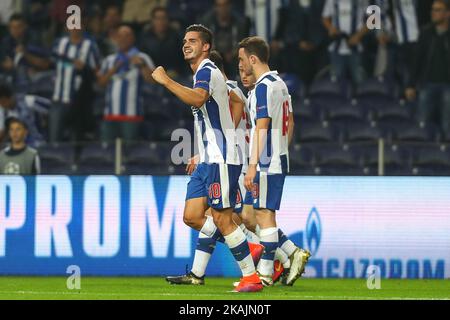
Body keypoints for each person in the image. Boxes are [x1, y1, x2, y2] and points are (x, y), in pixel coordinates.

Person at [152, 24, 263, 292]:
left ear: (206, 47)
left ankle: (252, 275)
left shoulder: (207, 70)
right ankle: (248, 271)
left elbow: (199, 98)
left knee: (223, 218)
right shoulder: (207, 73)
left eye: (193, 41)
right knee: (216, 216)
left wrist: (166, 80)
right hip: (214, 155)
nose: (186, 44)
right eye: (184, 41)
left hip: (223, 156)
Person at [238, 36, 311, 286]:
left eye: (241, 59)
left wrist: (252, 166)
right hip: (274, 158)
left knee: (264, 215)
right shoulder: (280, 84)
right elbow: (291, 124)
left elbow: (262, 127)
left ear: (253, 59)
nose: (240, 65)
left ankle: (266, 272)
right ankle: (291, 252)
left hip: (266, 163)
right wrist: (282, 151)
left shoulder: (263, 87)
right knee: (249, 215)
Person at [97, 25, 155, 142]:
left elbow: (153, 80)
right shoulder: (109, 60)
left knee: (130, 152)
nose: (123, 39)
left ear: (133, 38)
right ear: (116, 39)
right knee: (107, 153)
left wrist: (142, 65)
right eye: (120, 36)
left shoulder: (142, 57)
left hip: (132, 115)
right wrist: (114, 68)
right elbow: (101, 83)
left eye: (127, 36)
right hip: (110, 115)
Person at [405, 0, 450, 136]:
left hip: (448, 85)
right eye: (432, 10)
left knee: (447, 124)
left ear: (447, 13)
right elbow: (417, 61)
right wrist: (411, 85)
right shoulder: (426, 33)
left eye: (438, 10)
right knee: (423, 123)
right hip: (427, 84)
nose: (433, 13)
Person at [50, 25, 100, 142]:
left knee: (75, 140)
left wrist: (85, 68)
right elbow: (50, 63)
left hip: (78, 101)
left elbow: (97, 72)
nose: (74, 28)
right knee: (54, 139)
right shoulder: (59, 43)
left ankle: (74, 160)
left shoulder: (90, 46)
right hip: (58, 99)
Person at [322, 0, 369, 85]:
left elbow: (372, 19)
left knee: (359, 80)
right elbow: (325, 17)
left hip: (356, 47)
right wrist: (331, 28)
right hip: (337, 47)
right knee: (335, 81)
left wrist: (358, 36)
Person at [0, 13, 51, 91]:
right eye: (12, 27)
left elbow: (44, 64)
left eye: (19, 27)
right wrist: (5, 64)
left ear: (25, 26)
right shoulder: (6, 42)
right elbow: (4, 61)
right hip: (12, 76)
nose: (15, 30)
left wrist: (25, 54)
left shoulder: (34, 39)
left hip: (33, 76)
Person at [201, 0, 249, 77]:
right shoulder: (206, 22)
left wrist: (234, 52)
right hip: (214, 57)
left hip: (233, 58)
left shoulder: (240, 23)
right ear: (215, 7)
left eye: (225, 5)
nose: (222, 8)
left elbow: (243, 43)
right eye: (219, 6)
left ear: (230, 6)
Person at [139, 7, 187, 79]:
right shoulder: (145, 38)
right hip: (152, 76)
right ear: (152, 21)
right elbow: (141, 57)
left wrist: (176, 71)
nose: (161, 21)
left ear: (168, 20)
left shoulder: (177, 36)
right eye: (157, 18)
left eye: (164, 18)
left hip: (175, 75)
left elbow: (184, 59)